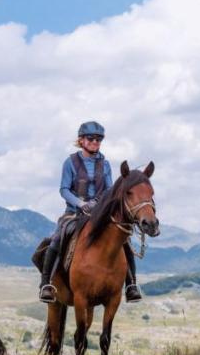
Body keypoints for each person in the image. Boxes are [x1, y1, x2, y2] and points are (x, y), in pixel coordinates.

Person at [39, 121, 142, 303]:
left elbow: (110, 190)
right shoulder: (70, 162)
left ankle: (131, 285)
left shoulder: (106, 164)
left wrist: (97, 202)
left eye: (99, 139)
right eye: (91, 139)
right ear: (81, 140)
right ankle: (46, 284)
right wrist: (80, 203)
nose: (95, 142)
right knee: (56, 239)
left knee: (123, 240)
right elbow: (64, 190)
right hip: (74, 213)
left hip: (100, 213)